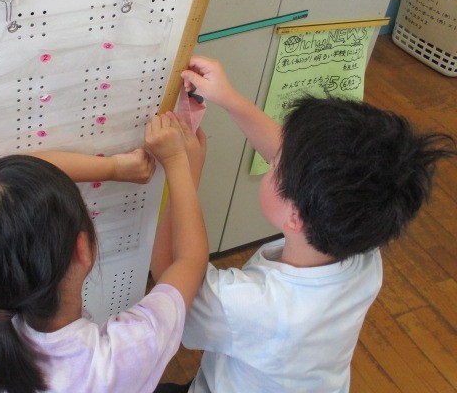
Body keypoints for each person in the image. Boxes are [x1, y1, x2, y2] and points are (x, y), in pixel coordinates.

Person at [158, 56, 456, 393]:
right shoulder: (362, 237)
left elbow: (170, 280)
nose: (272, 155)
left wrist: (183, 171)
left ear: (294, 217)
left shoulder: (256, 307)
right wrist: (229, 98)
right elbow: (302, 165)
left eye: (275, 165)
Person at [0, 112, 208, 393]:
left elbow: (13, 180)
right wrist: (181, 163)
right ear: (82, 248)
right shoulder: (122, 355)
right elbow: (190, 261)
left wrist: (115, 168)